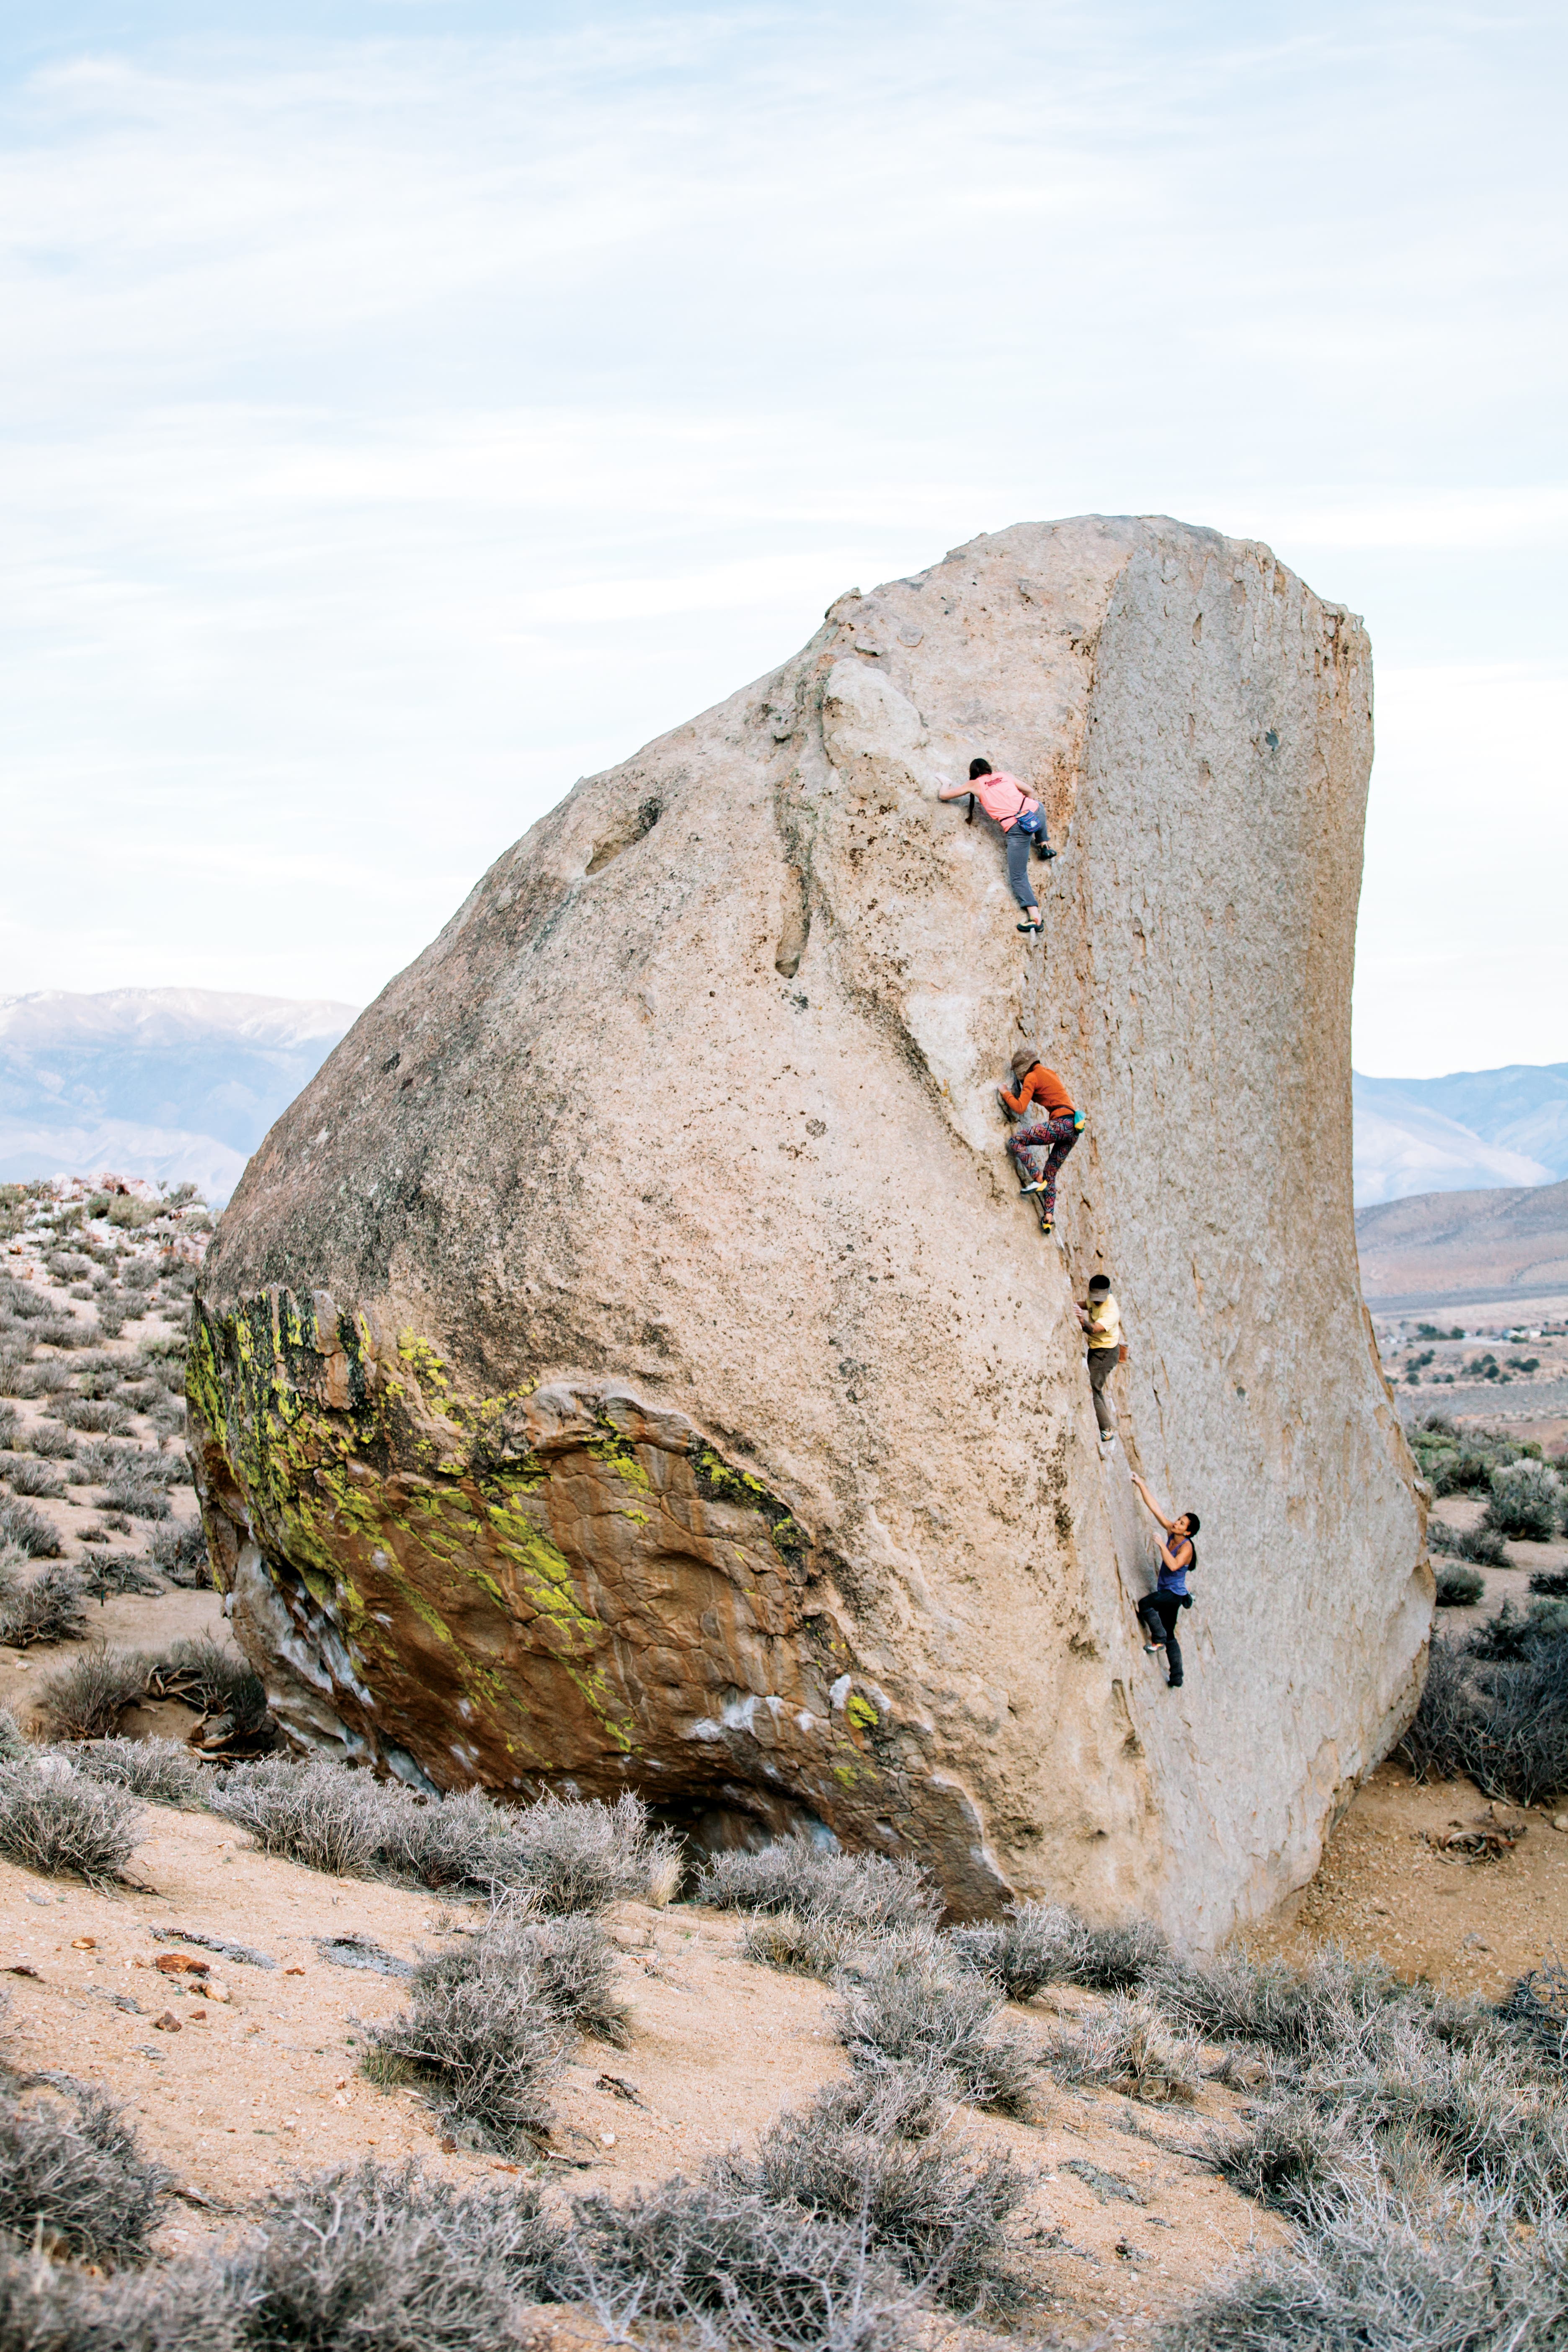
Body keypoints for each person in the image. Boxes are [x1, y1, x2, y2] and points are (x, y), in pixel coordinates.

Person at [938, 758, 1055, 936]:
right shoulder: (1003, 776)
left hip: (1016, 828)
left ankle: (1035, 918)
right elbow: (1030, 791)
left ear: (973, 772)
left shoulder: (974, 784)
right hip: (1032, 811)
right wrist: (1027, 815)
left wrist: (946, 783)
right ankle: (1044, 844)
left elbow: (944, 796)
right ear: (989, 769)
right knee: (1037, 807)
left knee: (1018, 875)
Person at [996, 1047, 1082, 1233]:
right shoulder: (1048, 1073)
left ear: (1022, 1069)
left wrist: (1005, 1092)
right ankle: (1048, 1219)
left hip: (1060, 1125)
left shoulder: (1032, 1077)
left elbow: (1020, 1108)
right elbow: (1046, 1095)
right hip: (1074, 1128)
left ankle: (1037, 1178)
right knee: (1052, 1172)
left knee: (1016, 1141)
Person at [1130, 1474, 1199, 1690]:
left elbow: (1174, 1566)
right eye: (1178, 1520)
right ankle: (1177, 1676)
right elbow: (1156, 1509)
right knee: (1171, 1635)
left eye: (1181, 1523)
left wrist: (1161, 1545)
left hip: (1173, 1595)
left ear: (1187, 1532)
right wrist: (1140, 1483)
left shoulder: (1186, 1547)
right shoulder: (1173, 1531)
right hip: (1174, 1593)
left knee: (1145, 1605)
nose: (1176, 1523)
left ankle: (1157, 1638)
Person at [1075, 1273, 1122, 1448]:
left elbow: (1094, 1329)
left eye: (1100, 1299)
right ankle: (1107, 1425)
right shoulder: (1093, 1299)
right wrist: (1071, 1304)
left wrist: (1081, 1319)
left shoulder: (1112, 1311)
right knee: (1096, 1388)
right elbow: (1085, 1304)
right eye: (1094, 1298)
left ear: (1108, 1293)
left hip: (1106, 1353)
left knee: (1094, 1387)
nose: (1096, 1302)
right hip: (1096, 1350)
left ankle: (1107, 1430)